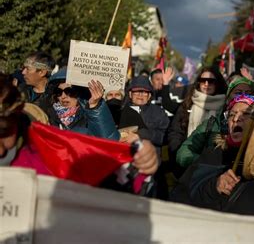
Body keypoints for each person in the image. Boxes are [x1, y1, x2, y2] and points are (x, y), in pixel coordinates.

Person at [0, 73, 159, 196]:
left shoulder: (44, 145)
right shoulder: (40, 116)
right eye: (59, 91)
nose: (64, 96)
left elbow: (107, 149)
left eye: (4, 132)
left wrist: (141, 155)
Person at [174, 76, 254, 170]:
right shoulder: (212, 124)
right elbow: (183, 154)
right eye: (238, 93)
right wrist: (209, 164)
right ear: (228, 98)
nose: (243, 96)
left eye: (248, 94)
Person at [119, 75, 170, 199]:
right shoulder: (120, 111)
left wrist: (141, 134)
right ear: (130, 94)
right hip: (124, 166)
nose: (140, 95)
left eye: (144, 92)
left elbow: (166, 136)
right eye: (137, 91)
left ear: (149, 95)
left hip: (150, 165)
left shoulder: (159, 113)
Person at [167, 67, 227, 166]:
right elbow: (175, 132)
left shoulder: (225, 106)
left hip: (214, 163)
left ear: (218, 83)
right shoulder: (188, 103)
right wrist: (179, 152)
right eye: (203, 80)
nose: (206, 84)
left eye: (211, 81)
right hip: (186, 161)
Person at [44, 68, 119, 140]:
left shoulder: (89, 115)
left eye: (69, 91)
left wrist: (95, 107)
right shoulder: (46, 115)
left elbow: (109, 139)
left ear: (80, 94)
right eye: (58, 92)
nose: (63, 96)